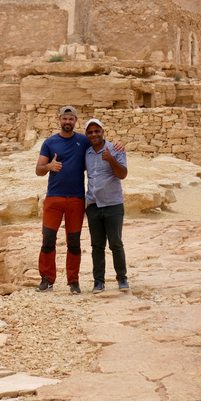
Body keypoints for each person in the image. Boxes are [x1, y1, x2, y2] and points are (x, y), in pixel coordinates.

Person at [35, 106, 123, 294]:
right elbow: (38, 169)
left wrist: (119, 145)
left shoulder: (83, 141)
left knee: (74, 242)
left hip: (76, 199)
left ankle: (73, 281)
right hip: (53, 198)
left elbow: (101, 142)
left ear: (76, 121)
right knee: (48, 239)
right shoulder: (49, 143)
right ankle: (47, 278)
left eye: (71, 119)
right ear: (59, 119)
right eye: (65, 119)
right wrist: (49, 166)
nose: (68, 122)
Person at [84, 118, 129, 294]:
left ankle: (122, 278)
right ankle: (98, 281)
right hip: (93, 205)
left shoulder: (115, 149)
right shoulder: (86, 153)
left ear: (103, 132)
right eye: (90, 132)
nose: (94, 134)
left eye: (97, 131)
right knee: (97, 245)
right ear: (87, 135)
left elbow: (122, 174)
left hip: (112, 204)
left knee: (116, 243)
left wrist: (111, 159)